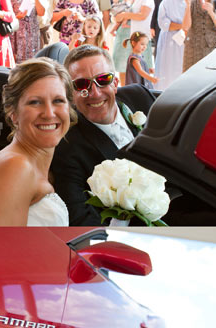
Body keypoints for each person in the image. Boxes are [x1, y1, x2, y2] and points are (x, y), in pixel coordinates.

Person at [50, 45, 157, 225]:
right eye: (82, 84)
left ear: (115, 83)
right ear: (70, 93)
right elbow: (82, 220)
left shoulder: (140, 97)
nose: (95, 93)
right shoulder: (67, 149)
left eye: (103, 79)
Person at [0, 57, 76, 226]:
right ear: (13, 113)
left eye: (58, 101)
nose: (49, 113)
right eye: (35, 102)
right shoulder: (14, 168)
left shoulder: (33, 163)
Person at [112, 0, 156, 84]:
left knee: (141, 70)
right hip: (126, 36)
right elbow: (116, 17)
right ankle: (125, 92)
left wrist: (124, 15)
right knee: (123, 69)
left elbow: (142, 16)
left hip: (140, 37)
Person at [182, 0, 216, 71]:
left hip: (212, 49)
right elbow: (185, 27)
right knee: (191, 78)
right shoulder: (191, 3)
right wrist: (188, 6)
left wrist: (211, 12)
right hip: (192, 50)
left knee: (211, 76)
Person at [155, 0, 187, 90]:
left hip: (184, 39)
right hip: (168, 41)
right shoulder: (165, 3)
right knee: (167, 69)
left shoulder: (189, 3)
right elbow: (163, 24)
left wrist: (184, 27)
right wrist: (184, 26)